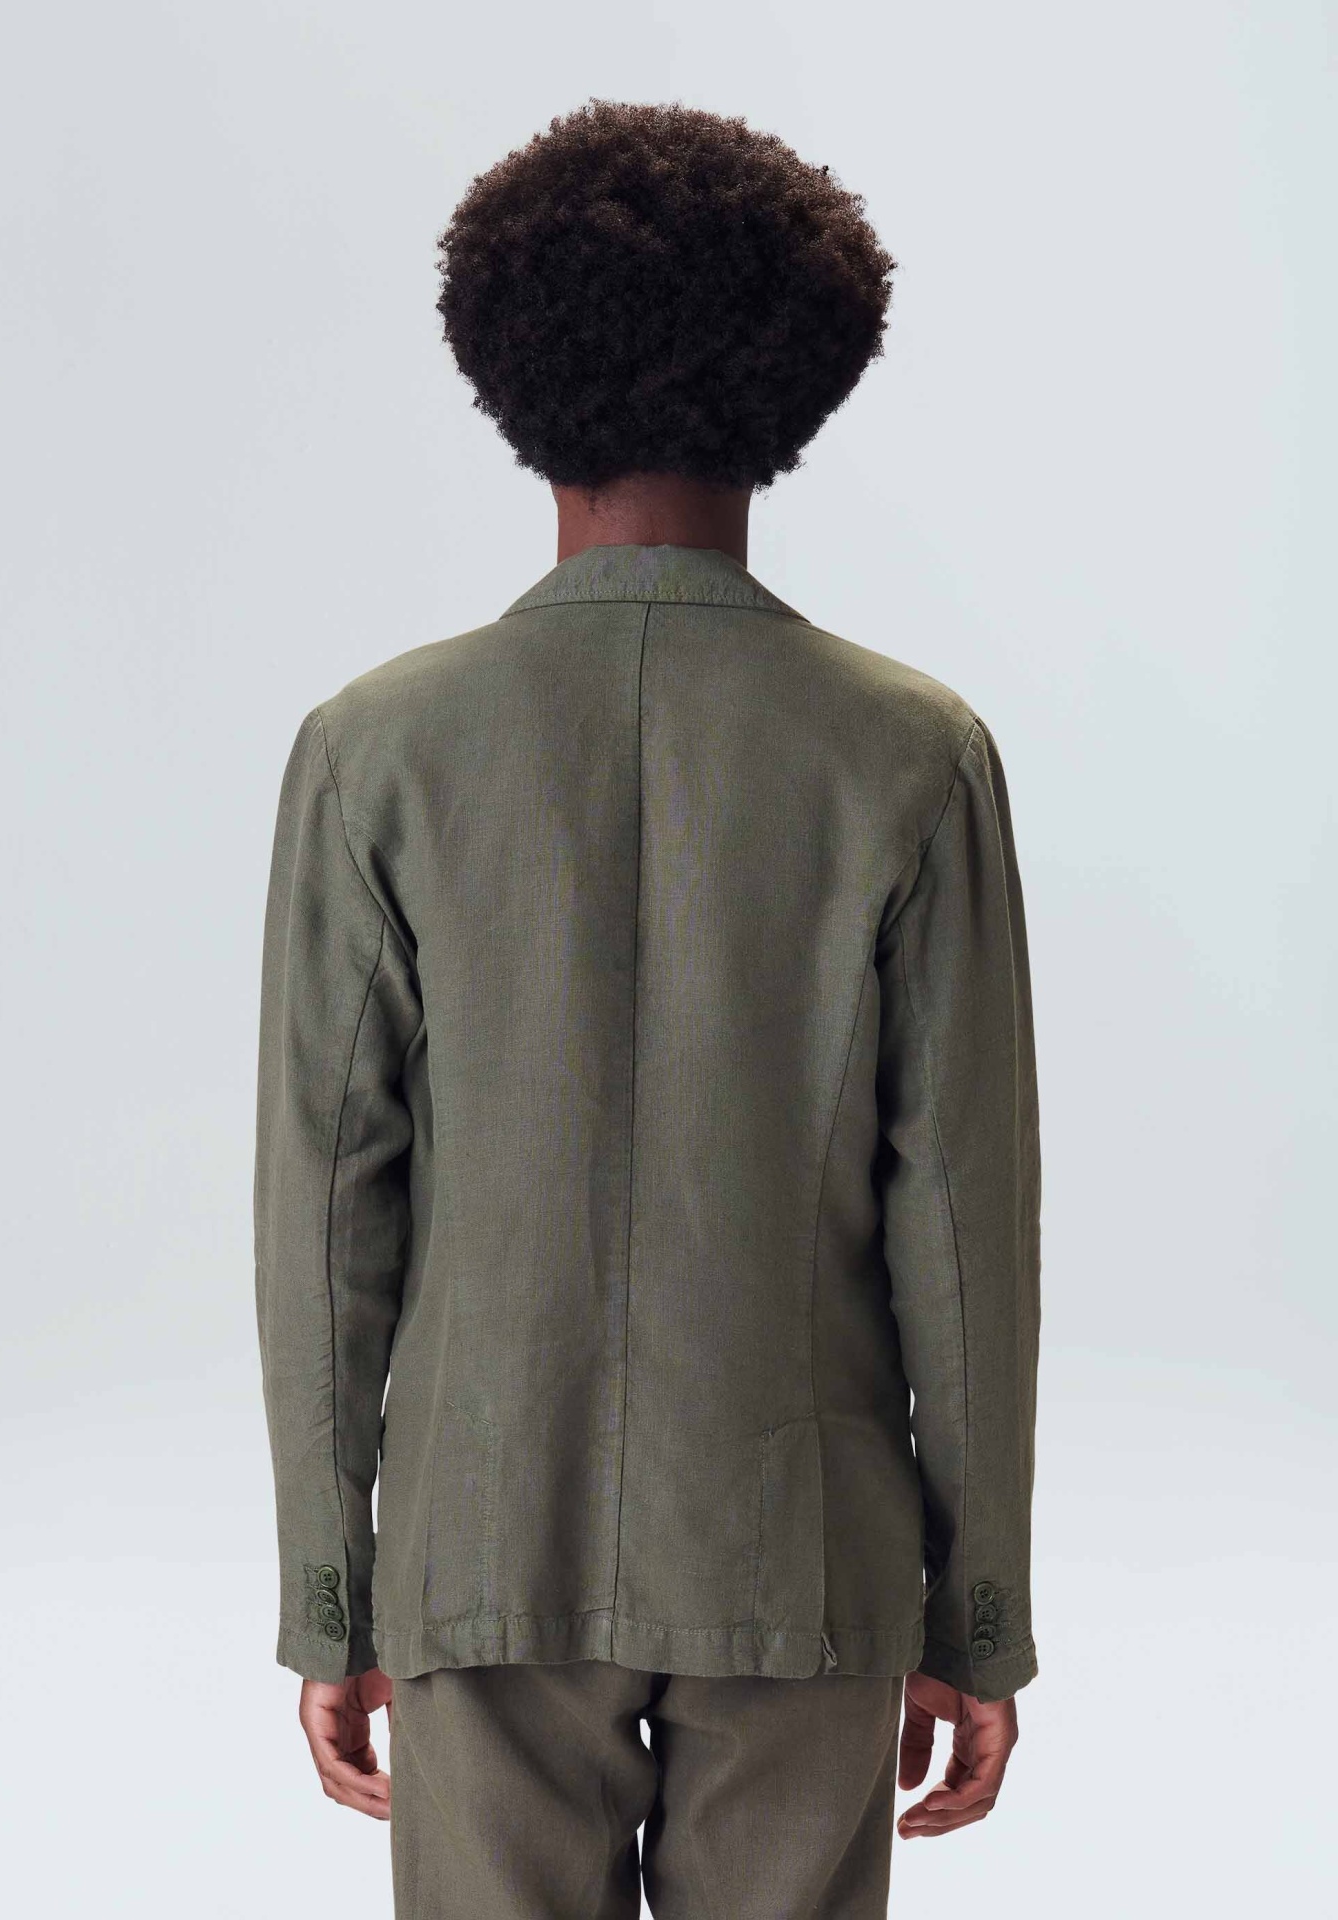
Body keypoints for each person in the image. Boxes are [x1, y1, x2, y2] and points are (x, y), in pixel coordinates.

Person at [253, 97, 1042, 1919]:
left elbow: (327, 1210)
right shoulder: (911, 758)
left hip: (480, 1550)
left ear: (512, 370)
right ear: (796, 377)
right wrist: (978, 1615)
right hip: (807, 1555)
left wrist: (329, 1597)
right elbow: (963, 1226)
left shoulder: (377, 753)